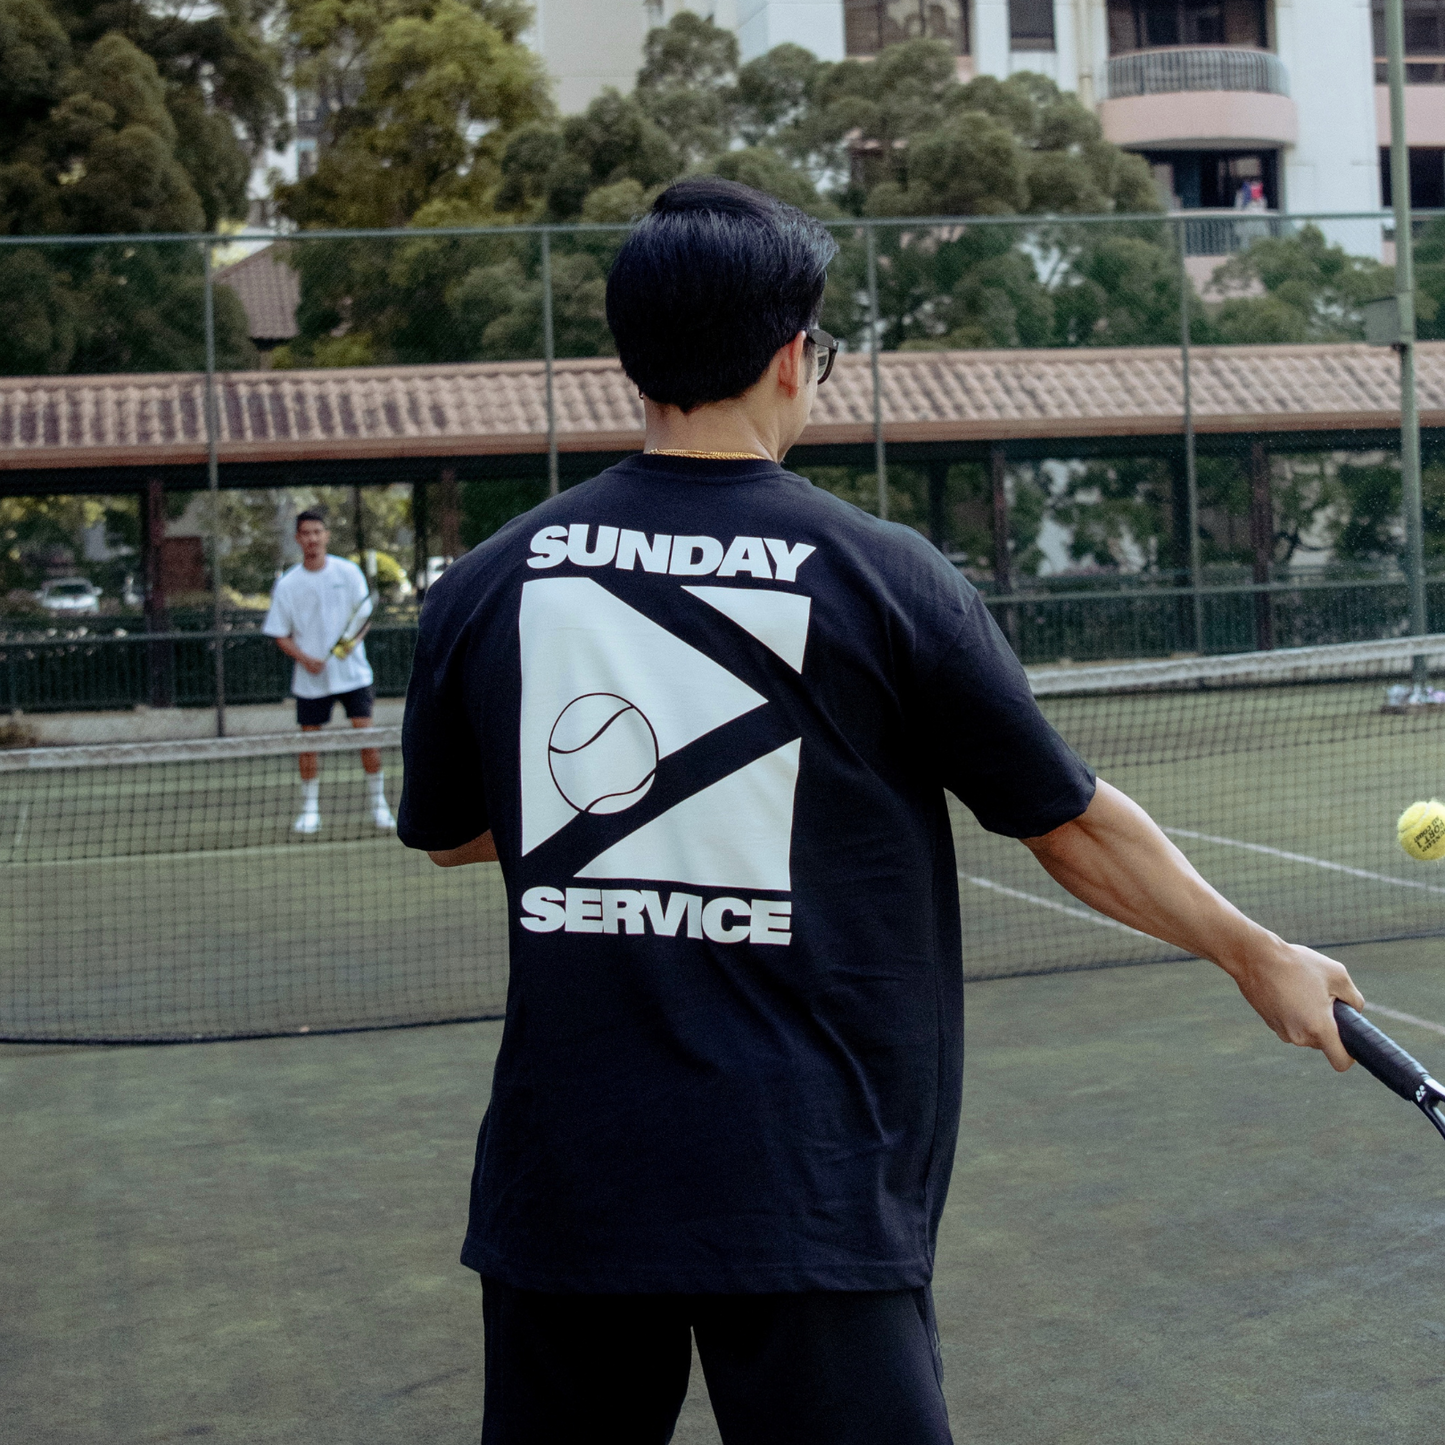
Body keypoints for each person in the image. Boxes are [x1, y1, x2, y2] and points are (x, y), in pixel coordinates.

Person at [397, 178, 1364, 1444]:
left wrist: (621, 806)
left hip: (568, 1191)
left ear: (630, 359)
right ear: (793, 357)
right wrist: (1255, 950)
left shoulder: (490, 580)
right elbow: (1063, 819)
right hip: (811, 1187)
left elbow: (461, 829)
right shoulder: (886, 575)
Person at [264, 509, 395, 834]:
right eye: (306, 533)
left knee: (367, 736)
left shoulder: (348, 572)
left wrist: (349, 644)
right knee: (309, 742)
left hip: (353, 675)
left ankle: (380, 806)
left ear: (326, 535)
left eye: (317, 532)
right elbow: (280, 634)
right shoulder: (288, 584)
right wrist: (304, 658)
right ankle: (310, 811)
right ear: (298, 539)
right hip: (311, 680)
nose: (312, 538)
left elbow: (363, 617)